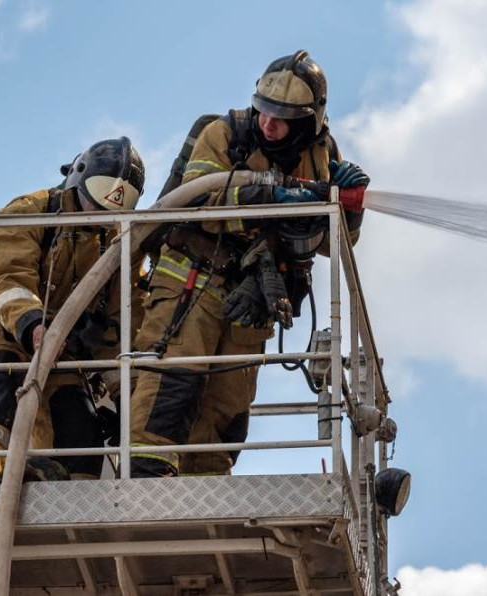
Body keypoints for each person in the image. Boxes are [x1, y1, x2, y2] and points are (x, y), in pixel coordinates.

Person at [129, 50, 370, 477]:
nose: (268, 124)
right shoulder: (224, 133)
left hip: (258, 293)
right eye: (264, 110)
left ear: (308, 122)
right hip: (192, 278)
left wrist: (347, 208)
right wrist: (272, 200)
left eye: (282, 117)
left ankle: (205, 488)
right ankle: (147, 475)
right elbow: (197, 201)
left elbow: (335, 244)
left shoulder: (321, 154)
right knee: (175, 379)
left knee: (229, 401)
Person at [0, 137, 145, 483]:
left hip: (56, 343)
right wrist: (33, 323)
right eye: (96, 199)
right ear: (78, 177)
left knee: (80, 421)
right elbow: (4, 278)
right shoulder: (30, 211)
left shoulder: (116, 244)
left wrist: (128, 400)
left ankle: (75, 504)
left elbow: (118, 327)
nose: (100, 215)